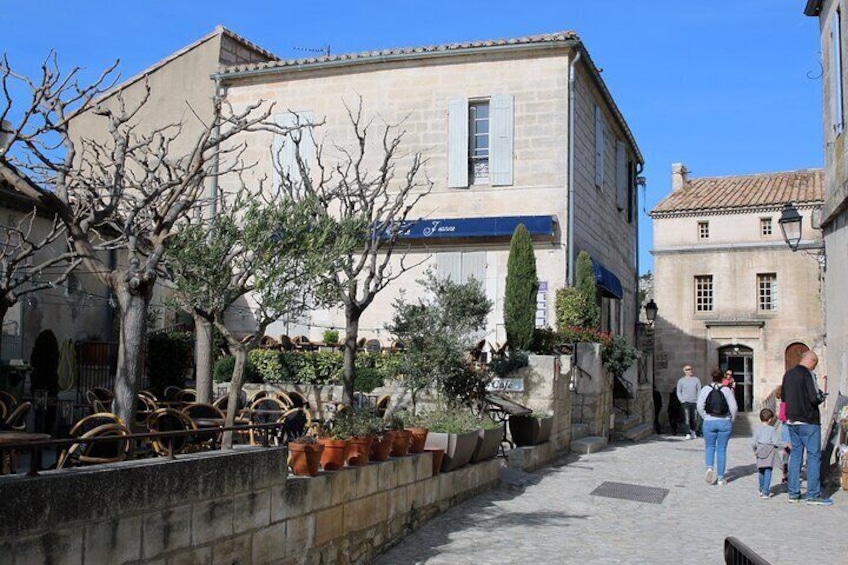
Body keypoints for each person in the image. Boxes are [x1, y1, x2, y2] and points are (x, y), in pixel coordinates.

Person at [781, 351, 832, 506]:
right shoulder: (808, 375)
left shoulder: (788, 374)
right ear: (811, 361)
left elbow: (783, 397)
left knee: (796, 455)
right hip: (808, 421)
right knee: (813, 456)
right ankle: (813, 494)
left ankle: (794, 493)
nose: (814, 367)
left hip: (792, 420)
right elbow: (813, 397)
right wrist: (821, 397)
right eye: (814, 364)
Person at [697, 368, 737, 485]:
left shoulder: (706, 389)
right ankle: (720, 478)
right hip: (724, 421)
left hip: (709, 420)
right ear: (722, 378)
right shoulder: (726, 389)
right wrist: (731, 419)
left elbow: (699, 406)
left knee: (709, 447)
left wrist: (705, 416)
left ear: (712, 377)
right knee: (721, 449)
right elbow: (733, 407)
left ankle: (709, 467)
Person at [752, 408, 783, 499]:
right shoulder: (772, 430)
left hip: (760, 451)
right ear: (770, 419)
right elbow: (776, 442)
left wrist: (755, 450)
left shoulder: (757, 429)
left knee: (761, 471)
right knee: (768, 470)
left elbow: (753, 443)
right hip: (769, 452)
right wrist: (785, 444)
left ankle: (761, 489)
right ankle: (765, 491)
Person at [676, 365, 701, 439]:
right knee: (687, 418)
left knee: (695, 418)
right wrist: (682, 400)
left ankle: (693, 431)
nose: (689, 370)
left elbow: (699, 390)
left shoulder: (696, 380)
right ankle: (687, 432)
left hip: (694, 401)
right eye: (687, 369)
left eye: (690, 369)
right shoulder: (681, 381)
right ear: (684, 371)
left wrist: (698, 399)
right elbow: (678, 391)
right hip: (685, 402)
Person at [774, 385, 791, 484]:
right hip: (792, 424)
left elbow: (779, 416)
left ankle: (785, 475)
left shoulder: (782, 400)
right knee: (794, 451)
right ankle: (791, 473)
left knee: (786, 451)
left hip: (785, 426)